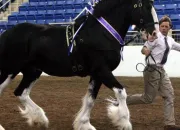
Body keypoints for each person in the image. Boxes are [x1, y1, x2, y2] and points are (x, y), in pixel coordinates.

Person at [127, 15, 180, 130]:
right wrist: (145, 51)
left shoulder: (170, 40)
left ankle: (169, 124)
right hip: (152, 70)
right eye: (162, 26)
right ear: (159, 27)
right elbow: (144, 48)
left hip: (161, 70)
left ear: (170, 27)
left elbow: (179, 47)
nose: (164, 28)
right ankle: (123, 100)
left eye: (167, 26)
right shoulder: (154, 37)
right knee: (148, 98)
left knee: (169, 95)